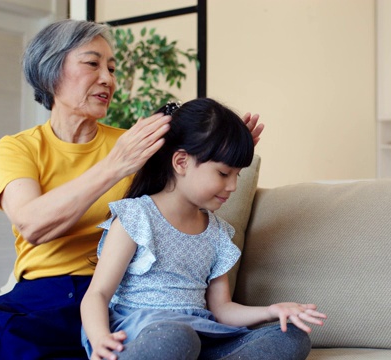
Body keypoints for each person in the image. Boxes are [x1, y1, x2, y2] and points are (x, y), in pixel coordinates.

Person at [0, 20, 263, 359]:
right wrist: (115, 164)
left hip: (115, 294)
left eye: (112, 68)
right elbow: (32, 224)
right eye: (92, 64)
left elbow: (187, 180)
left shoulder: (137, 145)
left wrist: (222, 150)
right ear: (51, 71)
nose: (108, 79)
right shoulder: (21, 147)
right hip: (41, 295)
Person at [80, 98, 327, 360]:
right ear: (181, 162)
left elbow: (222, 310)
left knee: (292, 338)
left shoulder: (218, 233)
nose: (232, 186)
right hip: (146, 334)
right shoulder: (137, 217)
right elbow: (97, 294)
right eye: (223, 174)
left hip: (201, 336)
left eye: (237, 175)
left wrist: (272, 311)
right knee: (176, 338)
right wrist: (99, 339)